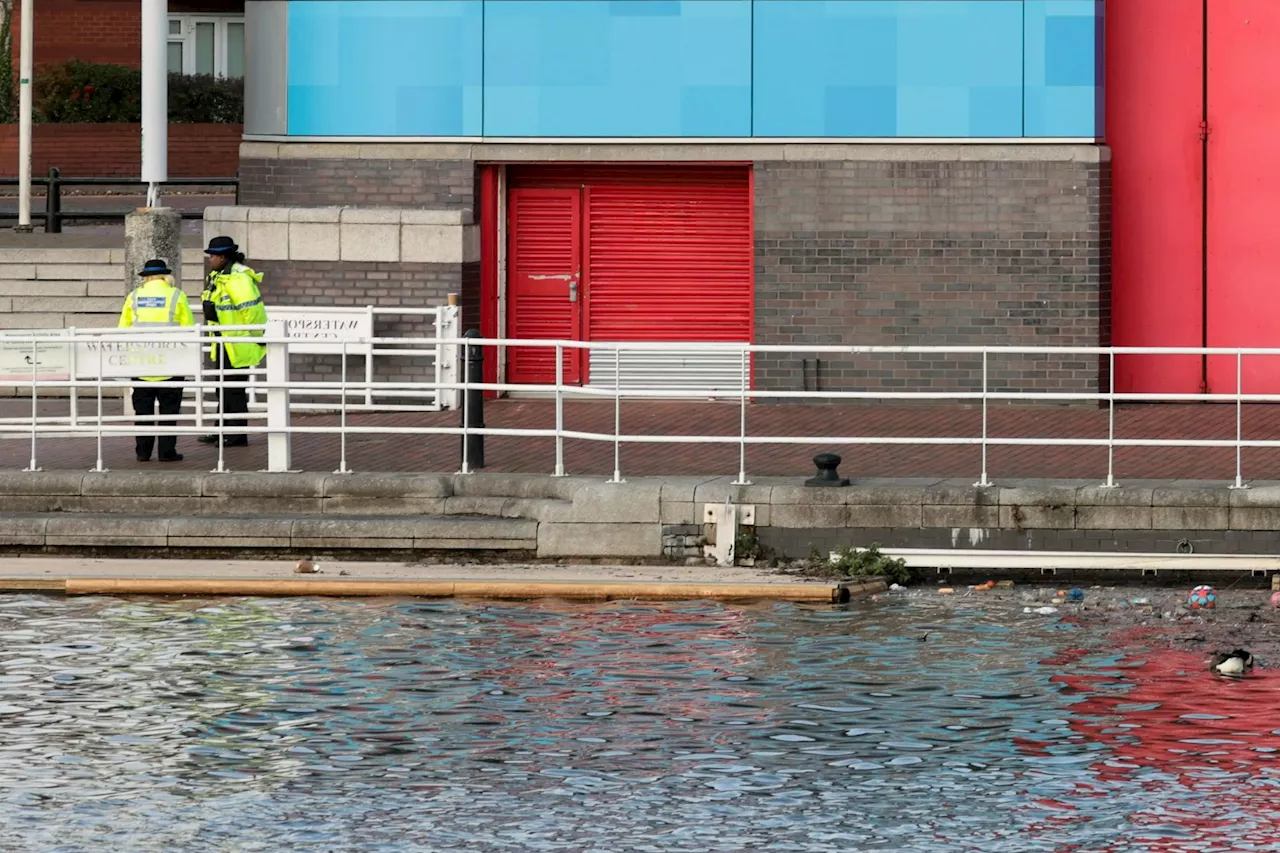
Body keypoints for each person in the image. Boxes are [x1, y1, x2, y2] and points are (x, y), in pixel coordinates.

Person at [118, 259, 195, 462]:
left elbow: (122, 330)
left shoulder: (134, 297)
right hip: (170, 363)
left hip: (142, 364)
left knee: (143, 412)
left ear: (146, 277)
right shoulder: (177, 295)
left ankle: (143, 452)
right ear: (166, 276)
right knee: (169, 411)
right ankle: (166, 452)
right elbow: (189, 330)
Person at [199, 236, 267, 447]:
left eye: (213, 255)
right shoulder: (219, 275)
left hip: (237, 343)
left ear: (224, 256)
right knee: (222, 388)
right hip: (223, 341)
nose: (210, 258)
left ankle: (237, 434)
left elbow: (252, 312)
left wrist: (261, 339)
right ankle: (222, 429)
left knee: (234, 389)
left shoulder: (238, 278)